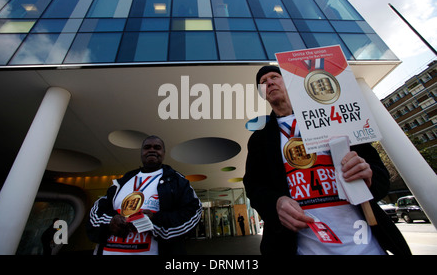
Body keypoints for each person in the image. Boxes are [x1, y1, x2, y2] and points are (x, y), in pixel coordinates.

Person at [243, 65, 411, 255]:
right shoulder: (260, 138)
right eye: (263, 82)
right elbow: (253, 185)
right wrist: (274, 203)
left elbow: (378, 172)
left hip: (367, 246)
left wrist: (368, 174)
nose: (270, 82)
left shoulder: (334, 117)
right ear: (261, 93)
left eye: (274, 76)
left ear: (288, 83)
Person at [86, 135, 202, 255]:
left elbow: (194, 212)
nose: (152, 150)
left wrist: (155, 221)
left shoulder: (177, 181)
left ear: (164, 153)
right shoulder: (123, 181)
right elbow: (96, 212)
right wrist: (110, 222)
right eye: (147, 147)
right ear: (141, 152)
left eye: (157, 147)